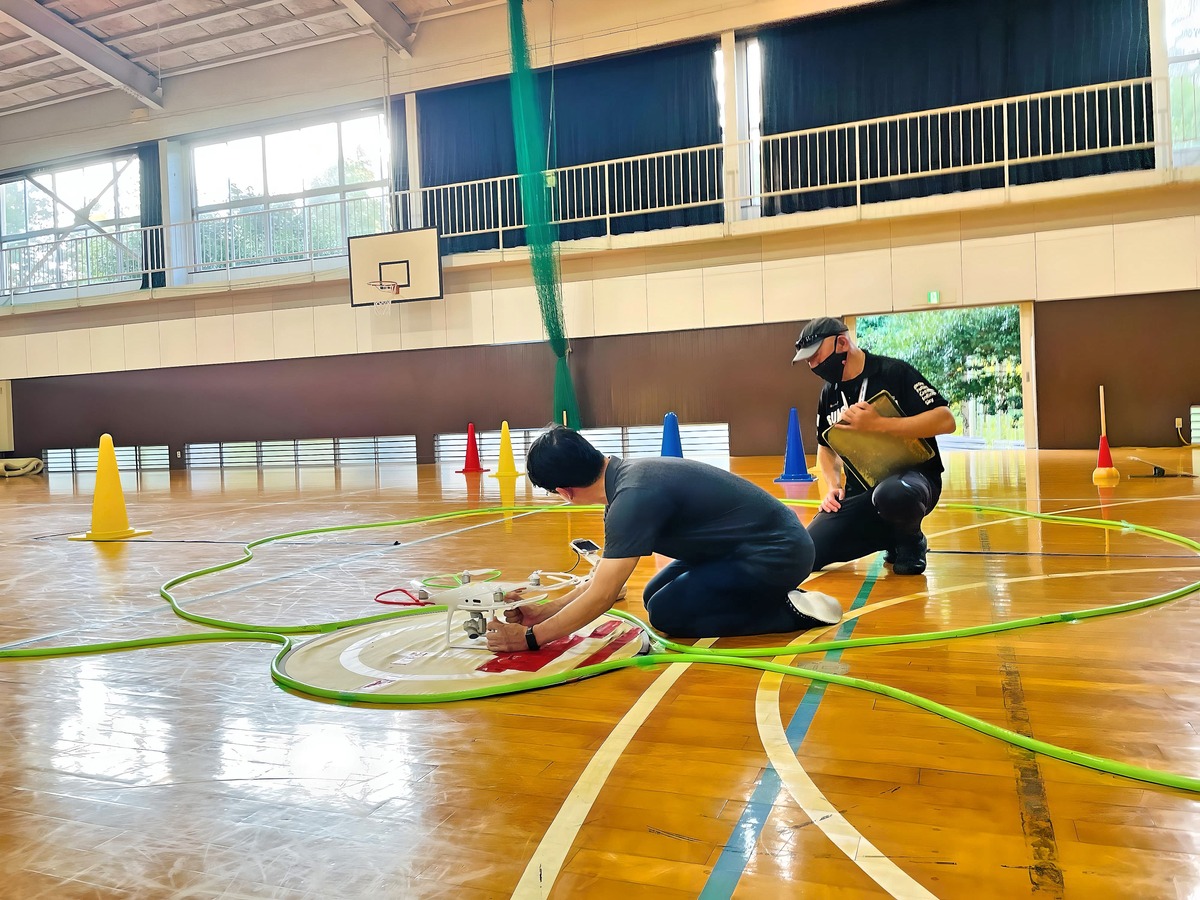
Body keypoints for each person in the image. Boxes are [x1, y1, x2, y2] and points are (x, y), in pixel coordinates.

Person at [484, 425, 842, 652]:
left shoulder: (632, 499)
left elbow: (603, 596)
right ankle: (769, 596)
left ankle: (788, 611)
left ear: (564, 491)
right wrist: (542, 612)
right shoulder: (622, 482)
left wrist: (532, 639)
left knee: (667, 613)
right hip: (747, 548)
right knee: (654, 595)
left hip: (777, 554)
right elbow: (599, 581)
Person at [792, 316, 956, 575]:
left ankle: (909, 541)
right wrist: (833, 486)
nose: (812, 365)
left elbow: (946, 420)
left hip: (911, 482)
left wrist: (879, 424)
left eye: (815, 356)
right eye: (808, 360)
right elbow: (826, 447)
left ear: (842, 343)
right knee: (804, 554)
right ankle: (890, 534)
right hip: (861, 494)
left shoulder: (894, 373)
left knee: (892, 494)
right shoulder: (829, 393)